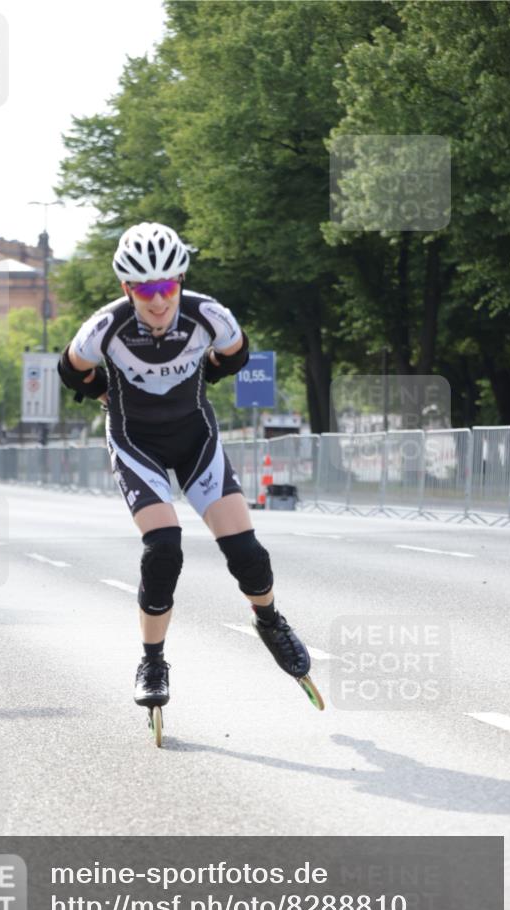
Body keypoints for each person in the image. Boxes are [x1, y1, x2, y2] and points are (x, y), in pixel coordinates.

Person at [57, 222, 312, 708]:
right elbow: (70, 368)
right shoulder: (104, 327)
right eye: (145, 289)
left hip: (195, 439)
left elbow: (236, 356)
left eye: (168, 286)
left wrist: (207, 373)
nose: (158, 301)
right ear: (126, 289)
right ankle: (152, 661)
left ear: (181, 282)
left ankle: (270, 621)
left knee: (247, 555)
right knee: (164, 549)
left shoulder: (209, 315)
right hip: (137, 444)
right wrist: (100, 393)